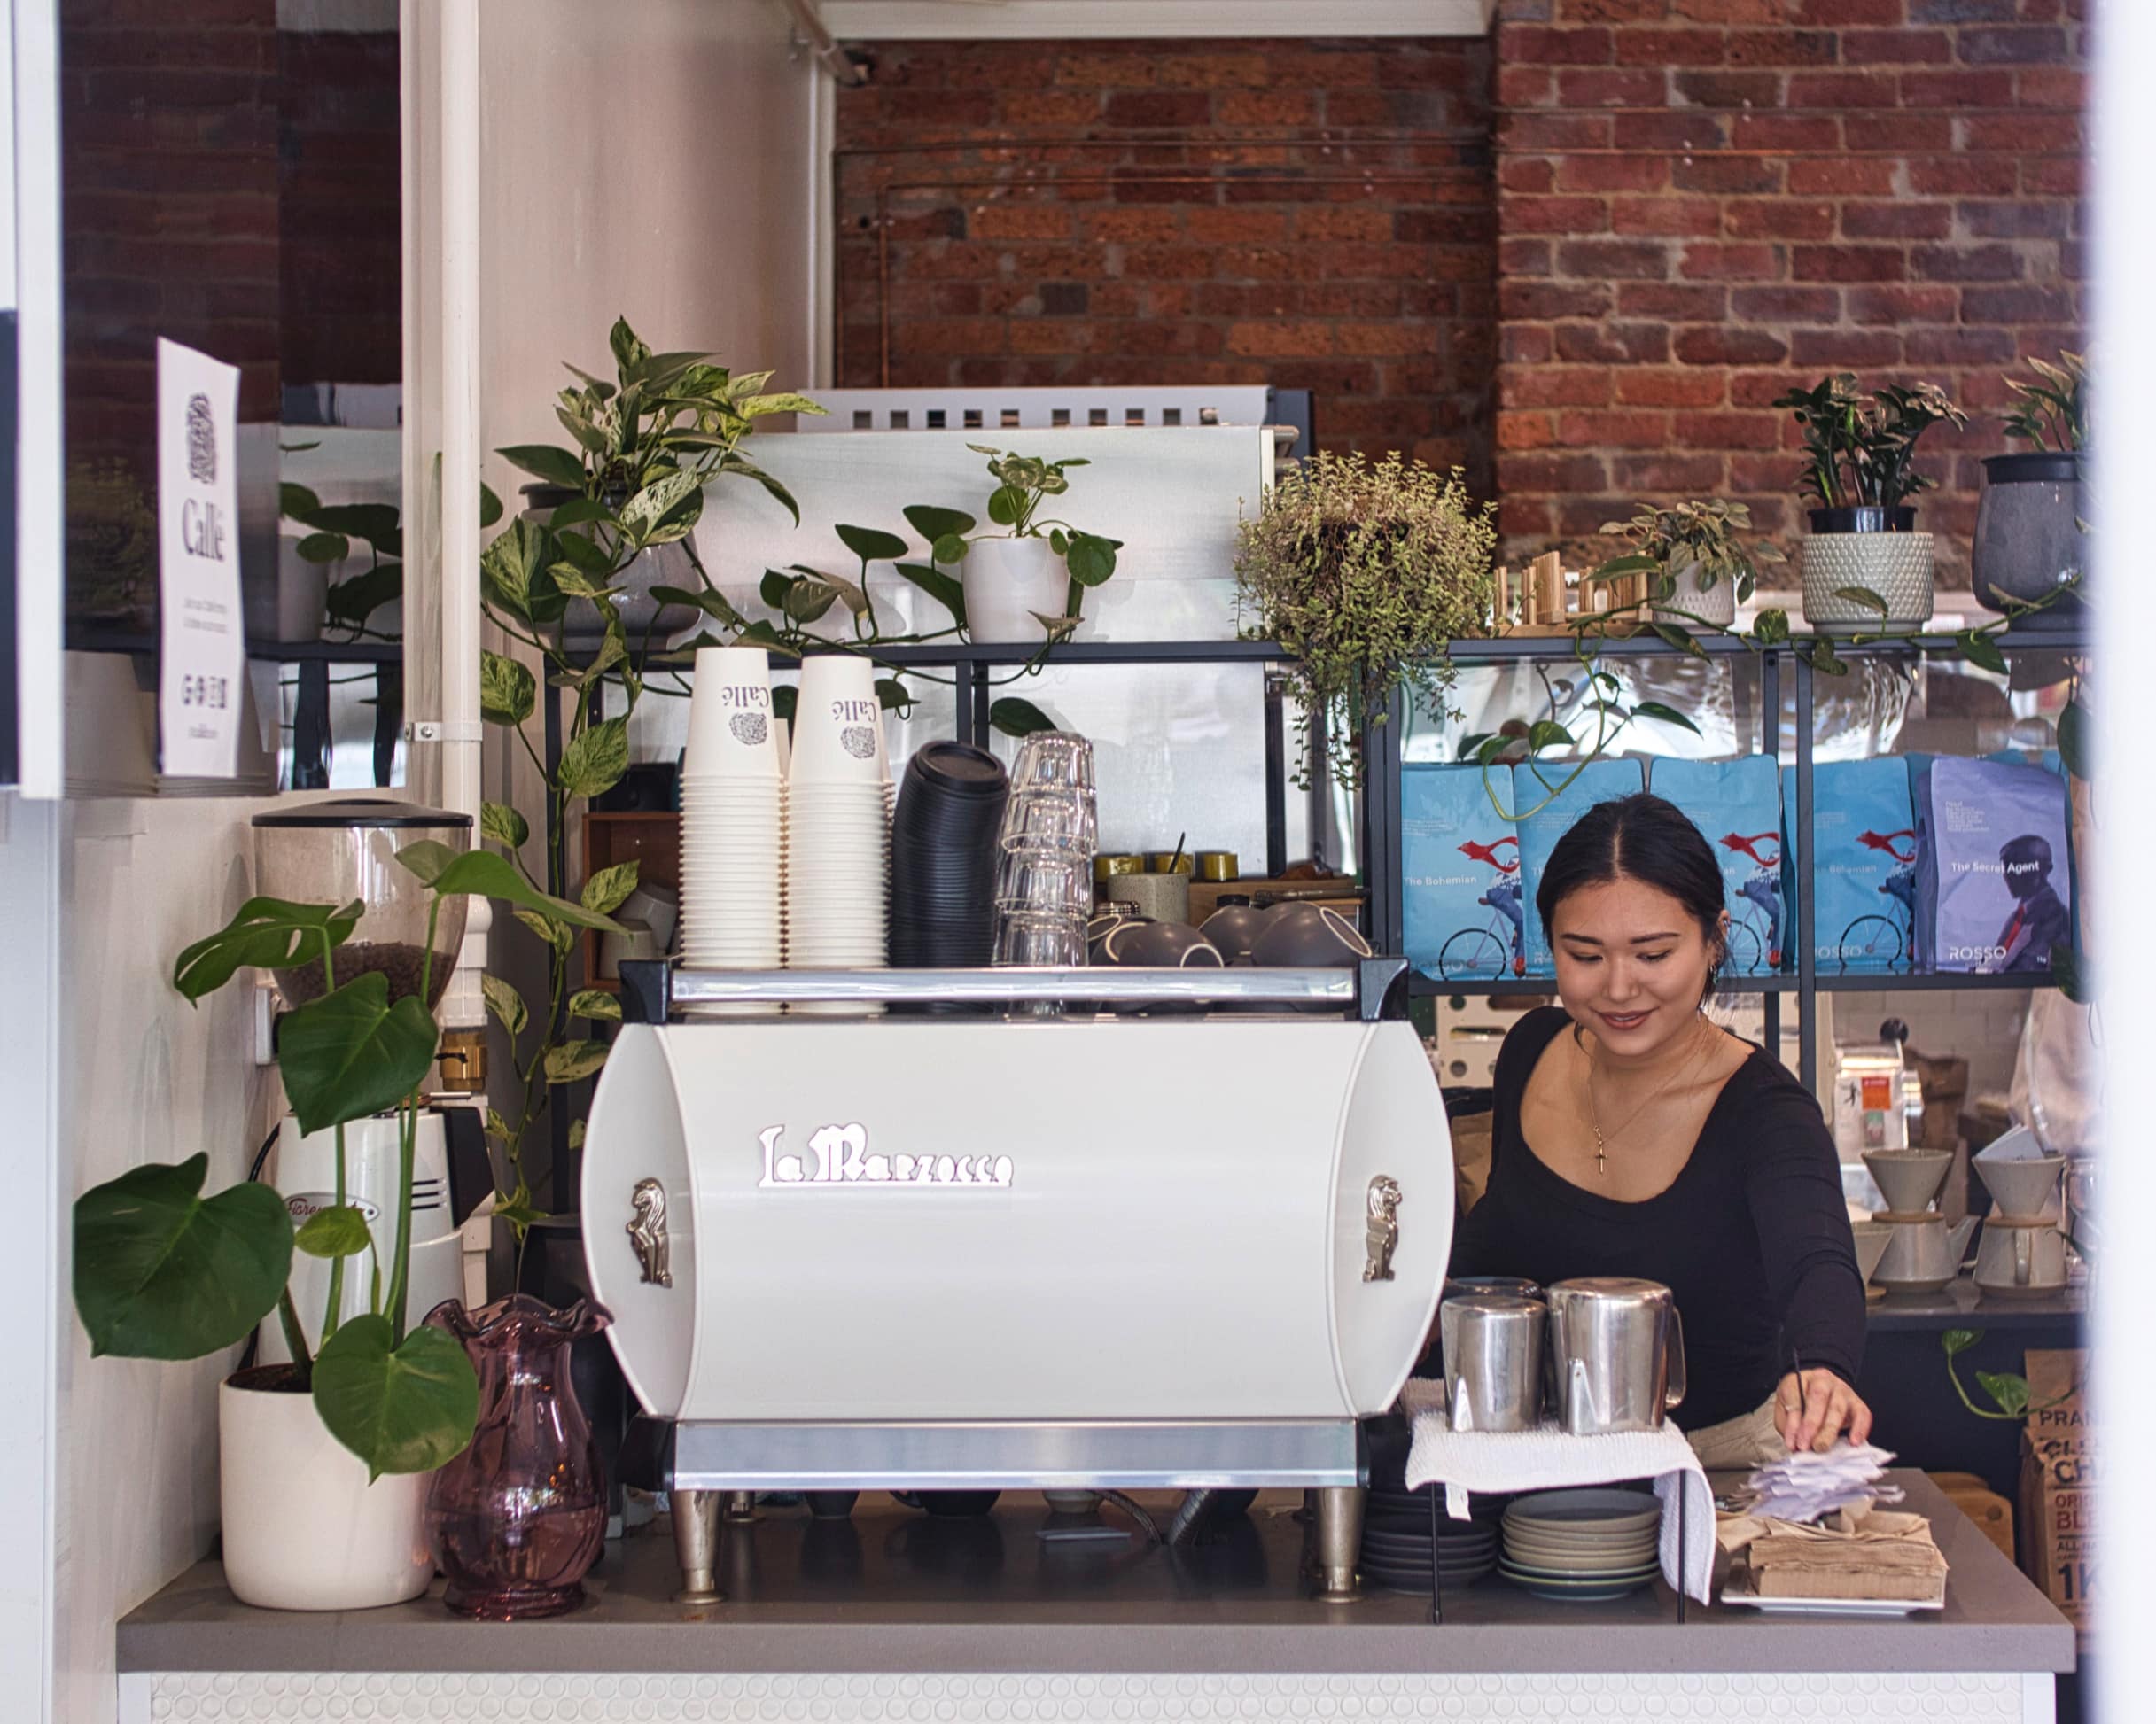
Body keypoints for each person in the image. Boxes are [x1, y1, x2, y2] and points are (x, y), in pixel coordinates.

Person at [1449, 793, 1871, 1467]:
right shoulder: (1531, 1051)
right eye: (1584, 955)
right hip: (1536, 1458)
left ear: (1712, 941)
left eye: (1652, 955)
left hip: (1719, 1464)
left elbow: (1817, 1262)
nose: (1618, 988)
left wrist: (1823, 1368)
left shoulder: (1763, 1111)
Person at [1986, 833, 2070, 975]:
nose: (2008, 875)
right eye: (2007, 868)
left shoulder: (2055, 916)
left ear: (2045, 869)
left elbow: (2028, 968)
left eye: (2019, 867)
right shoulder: (2016, 917)